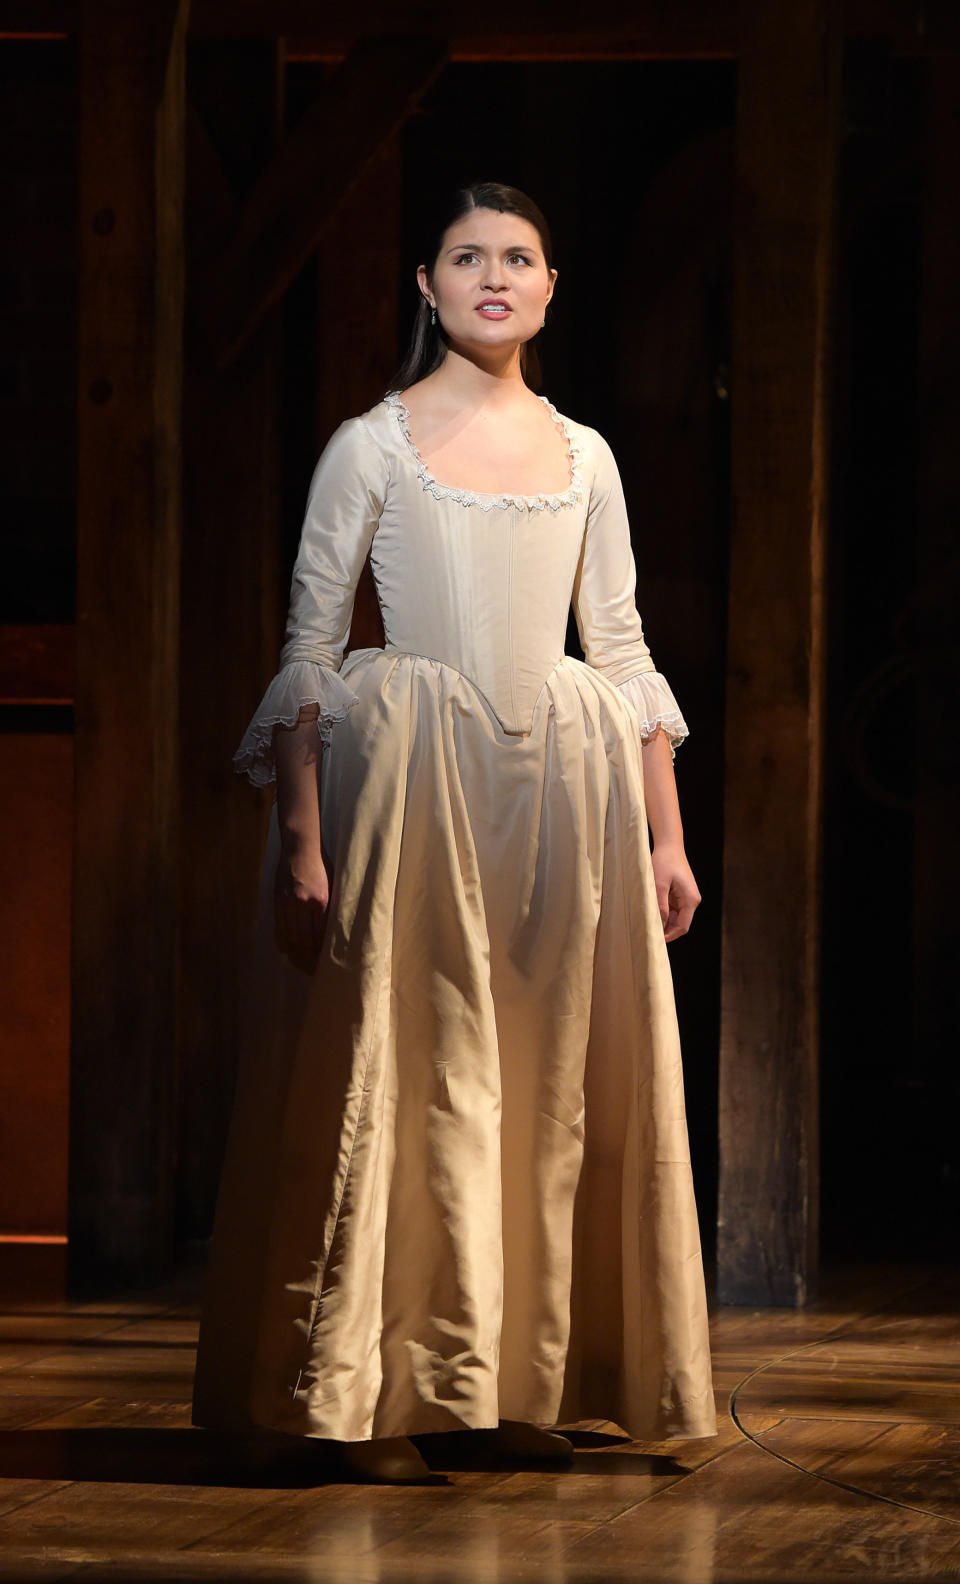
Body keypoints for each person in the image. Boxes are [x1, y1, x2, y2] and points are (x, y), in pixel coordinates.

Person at [191, 180, 717, 1483]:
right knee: (411, 1081)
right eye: (467, 255)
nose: (495, 275)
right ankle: (373, 1396)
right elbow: (310, 649)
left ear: (548, 287)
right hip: (409, 789)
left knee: (544, 1088)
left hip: (557, 794)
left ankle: (516, 1383)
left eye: (519, 257)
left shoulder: (587, 454)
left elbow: (625, 643)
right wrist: (305, 840)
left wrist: (667, 836)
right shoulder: (370, 448)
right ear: (426, 285)